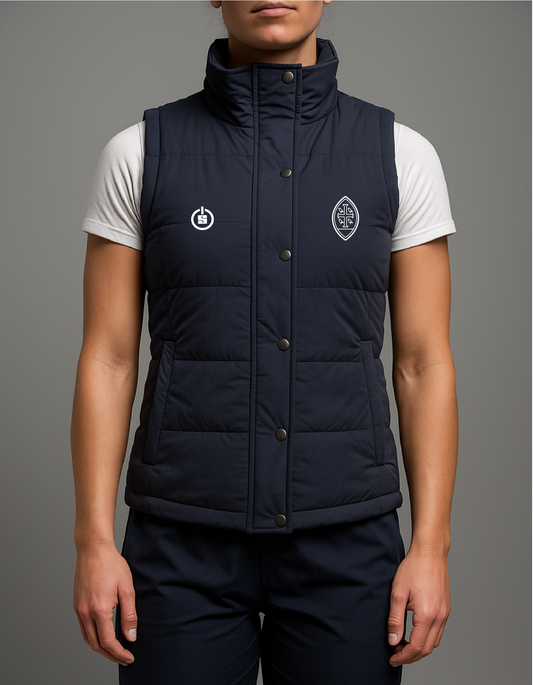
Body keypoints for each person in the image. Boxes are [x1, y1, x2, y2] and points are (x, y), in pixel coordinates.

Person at [71, 2, 458, 684]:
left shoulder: (402, 155)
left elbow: (422, 363)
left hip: (347, 543)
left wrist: (431, 547)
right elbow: (108, 358)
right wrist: (94, 542)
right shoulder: (138, 152)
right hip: (179, 541)